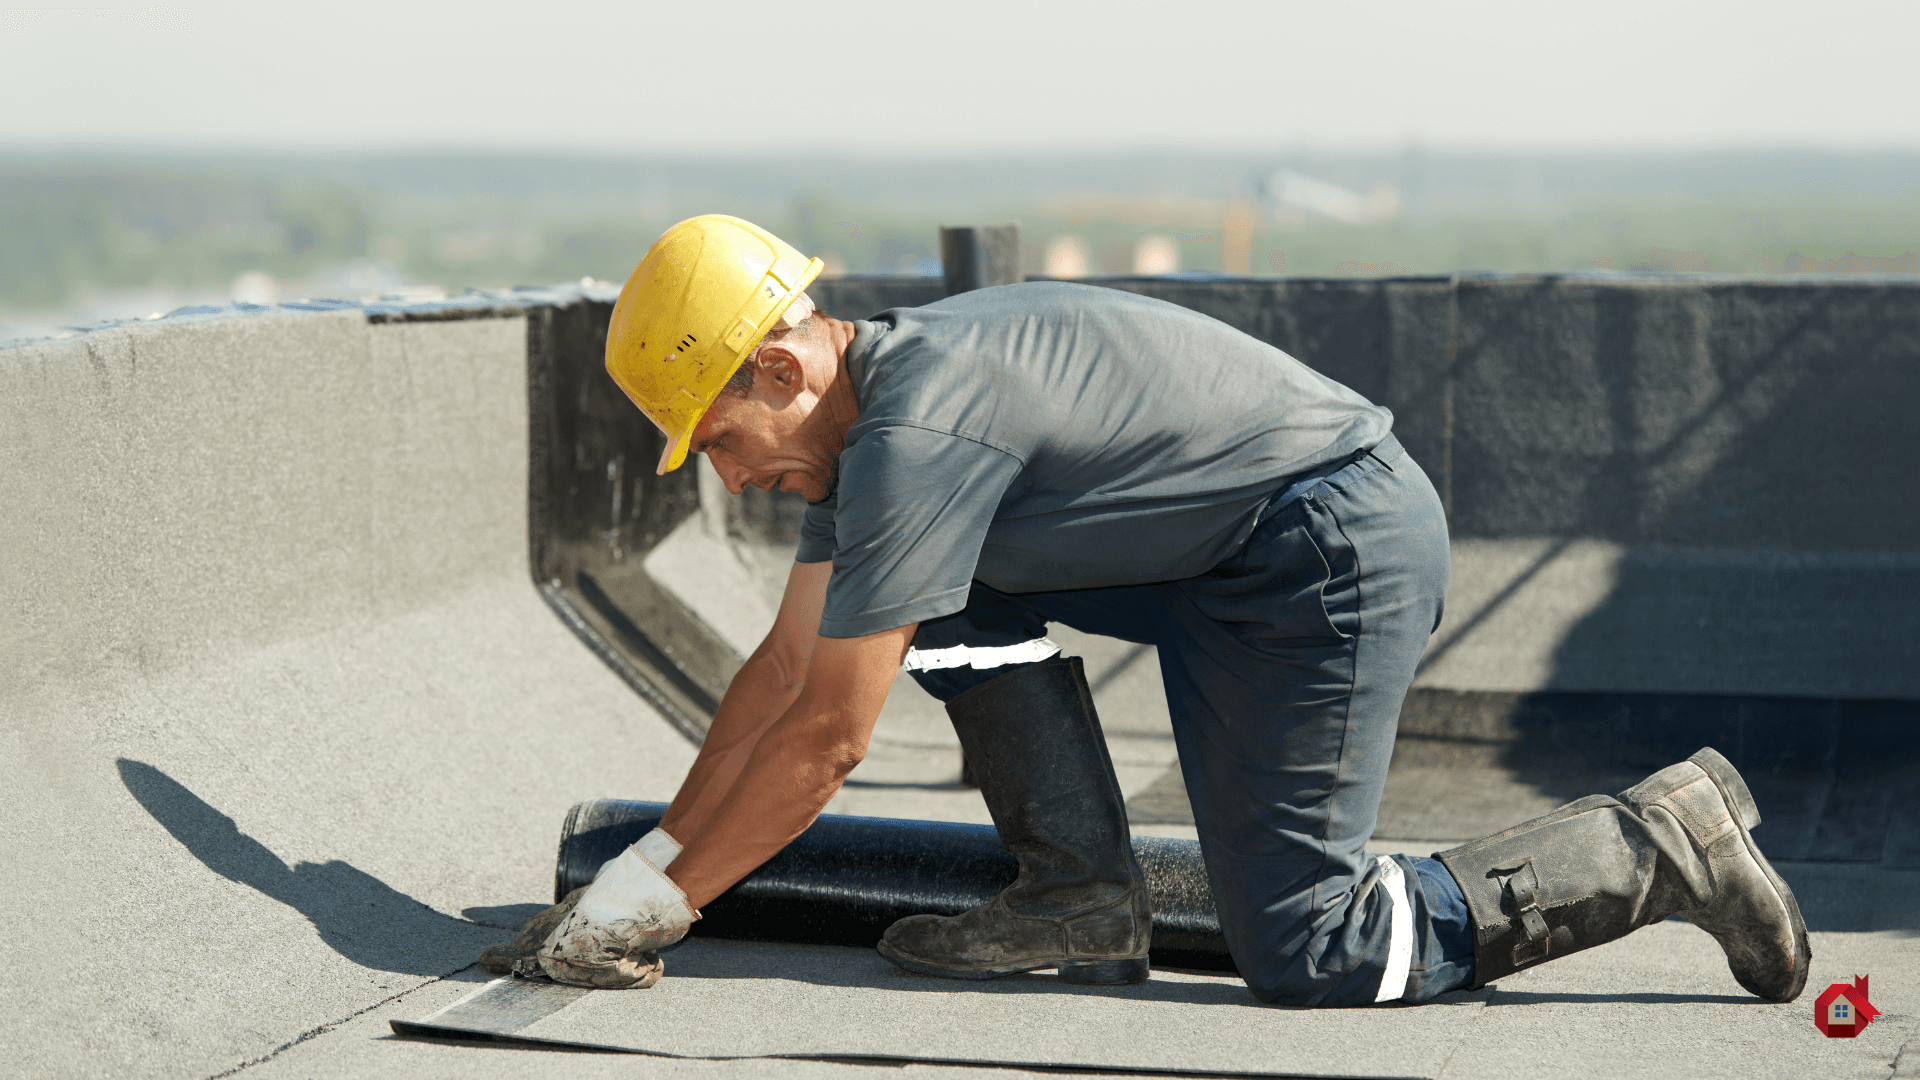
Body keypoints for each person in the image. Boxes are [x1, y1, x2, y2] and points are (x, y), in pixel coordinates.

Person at [503, 214, 1810, 1007]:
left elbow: (826, 744)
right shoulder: (865, 440)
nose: (730, 478)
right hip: (1232, 559)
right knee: (916, 599)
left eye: (723, 440)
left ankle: (1652, 849)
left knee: (1312, 949)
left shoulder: (917, 432)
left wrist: (655, 912)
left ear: (784, 367)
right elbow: (780, 679)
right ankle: (1080, 894)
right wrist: (634, 876)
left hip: (1327, 552)